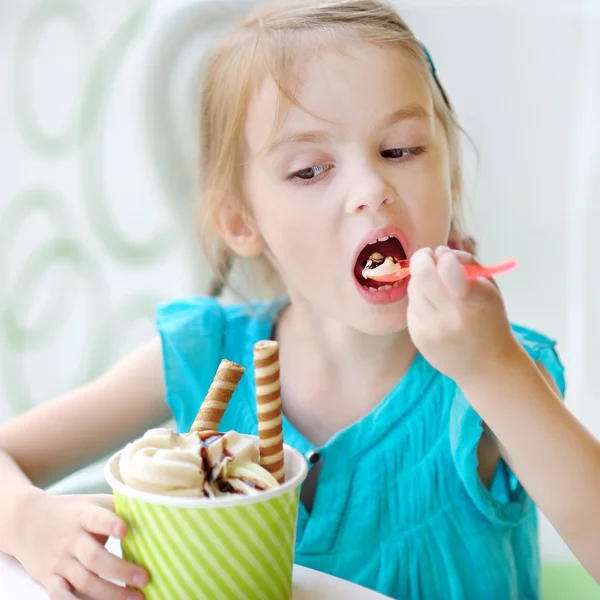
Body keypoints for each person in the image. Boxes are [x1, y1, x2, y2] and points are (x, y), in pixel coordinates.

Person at [0, 0, 586, 598]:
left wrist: (494, 369)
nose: (372, 190)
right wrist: (25, 519)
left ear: (449, 177)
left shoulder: (490, 380)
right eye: (310, 170)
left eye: (400, 150)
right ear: (241, 222)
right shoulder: (203, 357)